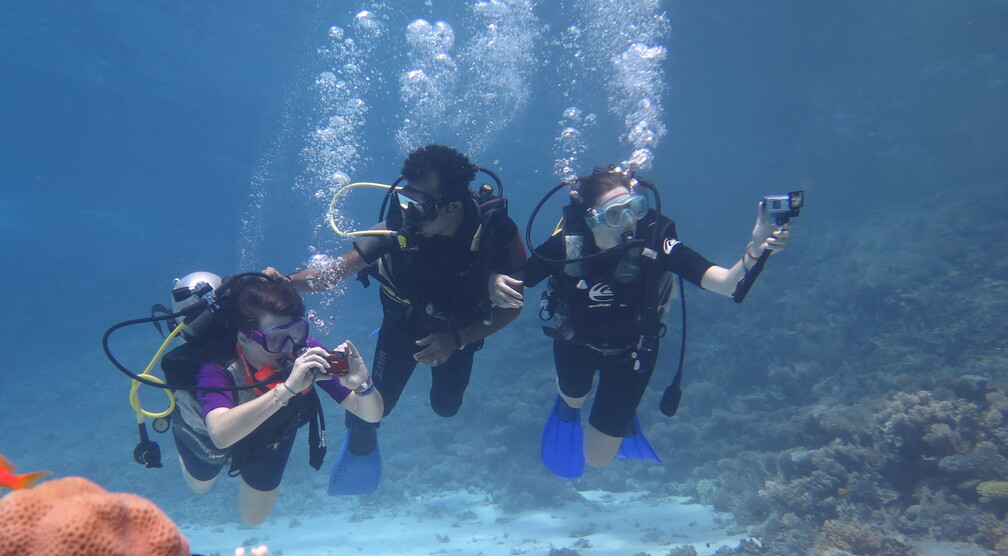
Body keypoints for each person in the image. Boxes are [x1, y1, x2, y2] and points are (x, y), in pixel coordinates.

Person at [496, 165, 794, 478]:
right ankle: (569, 404)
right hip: (575, 343)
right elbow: (518, 280)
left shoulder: (656, 237)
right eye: (614, 214)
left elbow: (728, 284)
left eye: (635, 208)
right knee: (574, 397)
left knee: (597, 459)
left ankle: (614, 414)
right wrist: (494, 280)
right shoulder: (567, 246)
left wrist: (758, 248)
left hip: (633, 352)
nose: (629, 222)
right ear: (590, 218)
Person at [266, 144, 527, 495]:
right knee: (374, 409)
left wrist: (457, 339)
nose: (408, 215)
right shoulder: (397, 227)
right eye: (405, 201)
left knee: (446, 408)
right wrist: (285, 282)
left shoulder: (497, 230)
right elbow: (333, 273)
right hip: (402, 323)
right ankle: (360, 440)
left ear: (452, 206)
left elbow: (513, 307)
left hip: (459, 329)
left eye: (420, 207)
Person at [159, 272, 382, 524]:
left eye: (296, 331)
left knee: (255, 519)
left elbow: (371, 414)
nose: (289, 347)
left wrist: (363, 385)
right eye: (275, 338)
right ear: (244, 337)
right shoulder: (215, 364)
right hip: (208, 430)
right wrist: (287, 389)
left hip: (270, 431)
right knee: (201, 486)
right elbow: (221, 435)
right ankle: (181, 422)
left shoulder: (306, 350)